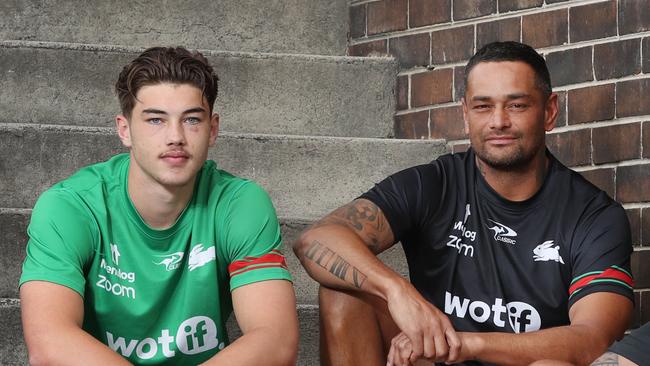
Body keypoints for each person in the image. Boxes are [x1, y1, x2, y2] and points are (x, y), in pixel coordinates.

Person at [293, 41, 634, 366]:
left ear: (549, 111)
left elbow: (592, 340)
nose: (498, 121)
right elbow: (316, 239)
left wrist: (467, 343)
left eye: (516, 105)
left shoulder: (594, 215)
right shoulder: (435, 184)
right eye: (483, 106)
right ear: (465, 114)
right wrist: (397, 291)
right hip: (431, 358)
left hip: (516, 360)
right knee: (343, 294)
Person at [19, 47, 298, 365]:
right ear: (125, 130)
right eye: (155, 120)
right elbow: (48, 343)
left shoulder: (238, 203)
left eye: (192, 119)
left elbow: (275, 341)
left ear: (213, 129)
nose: (175, 136)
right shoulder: (71, 206)